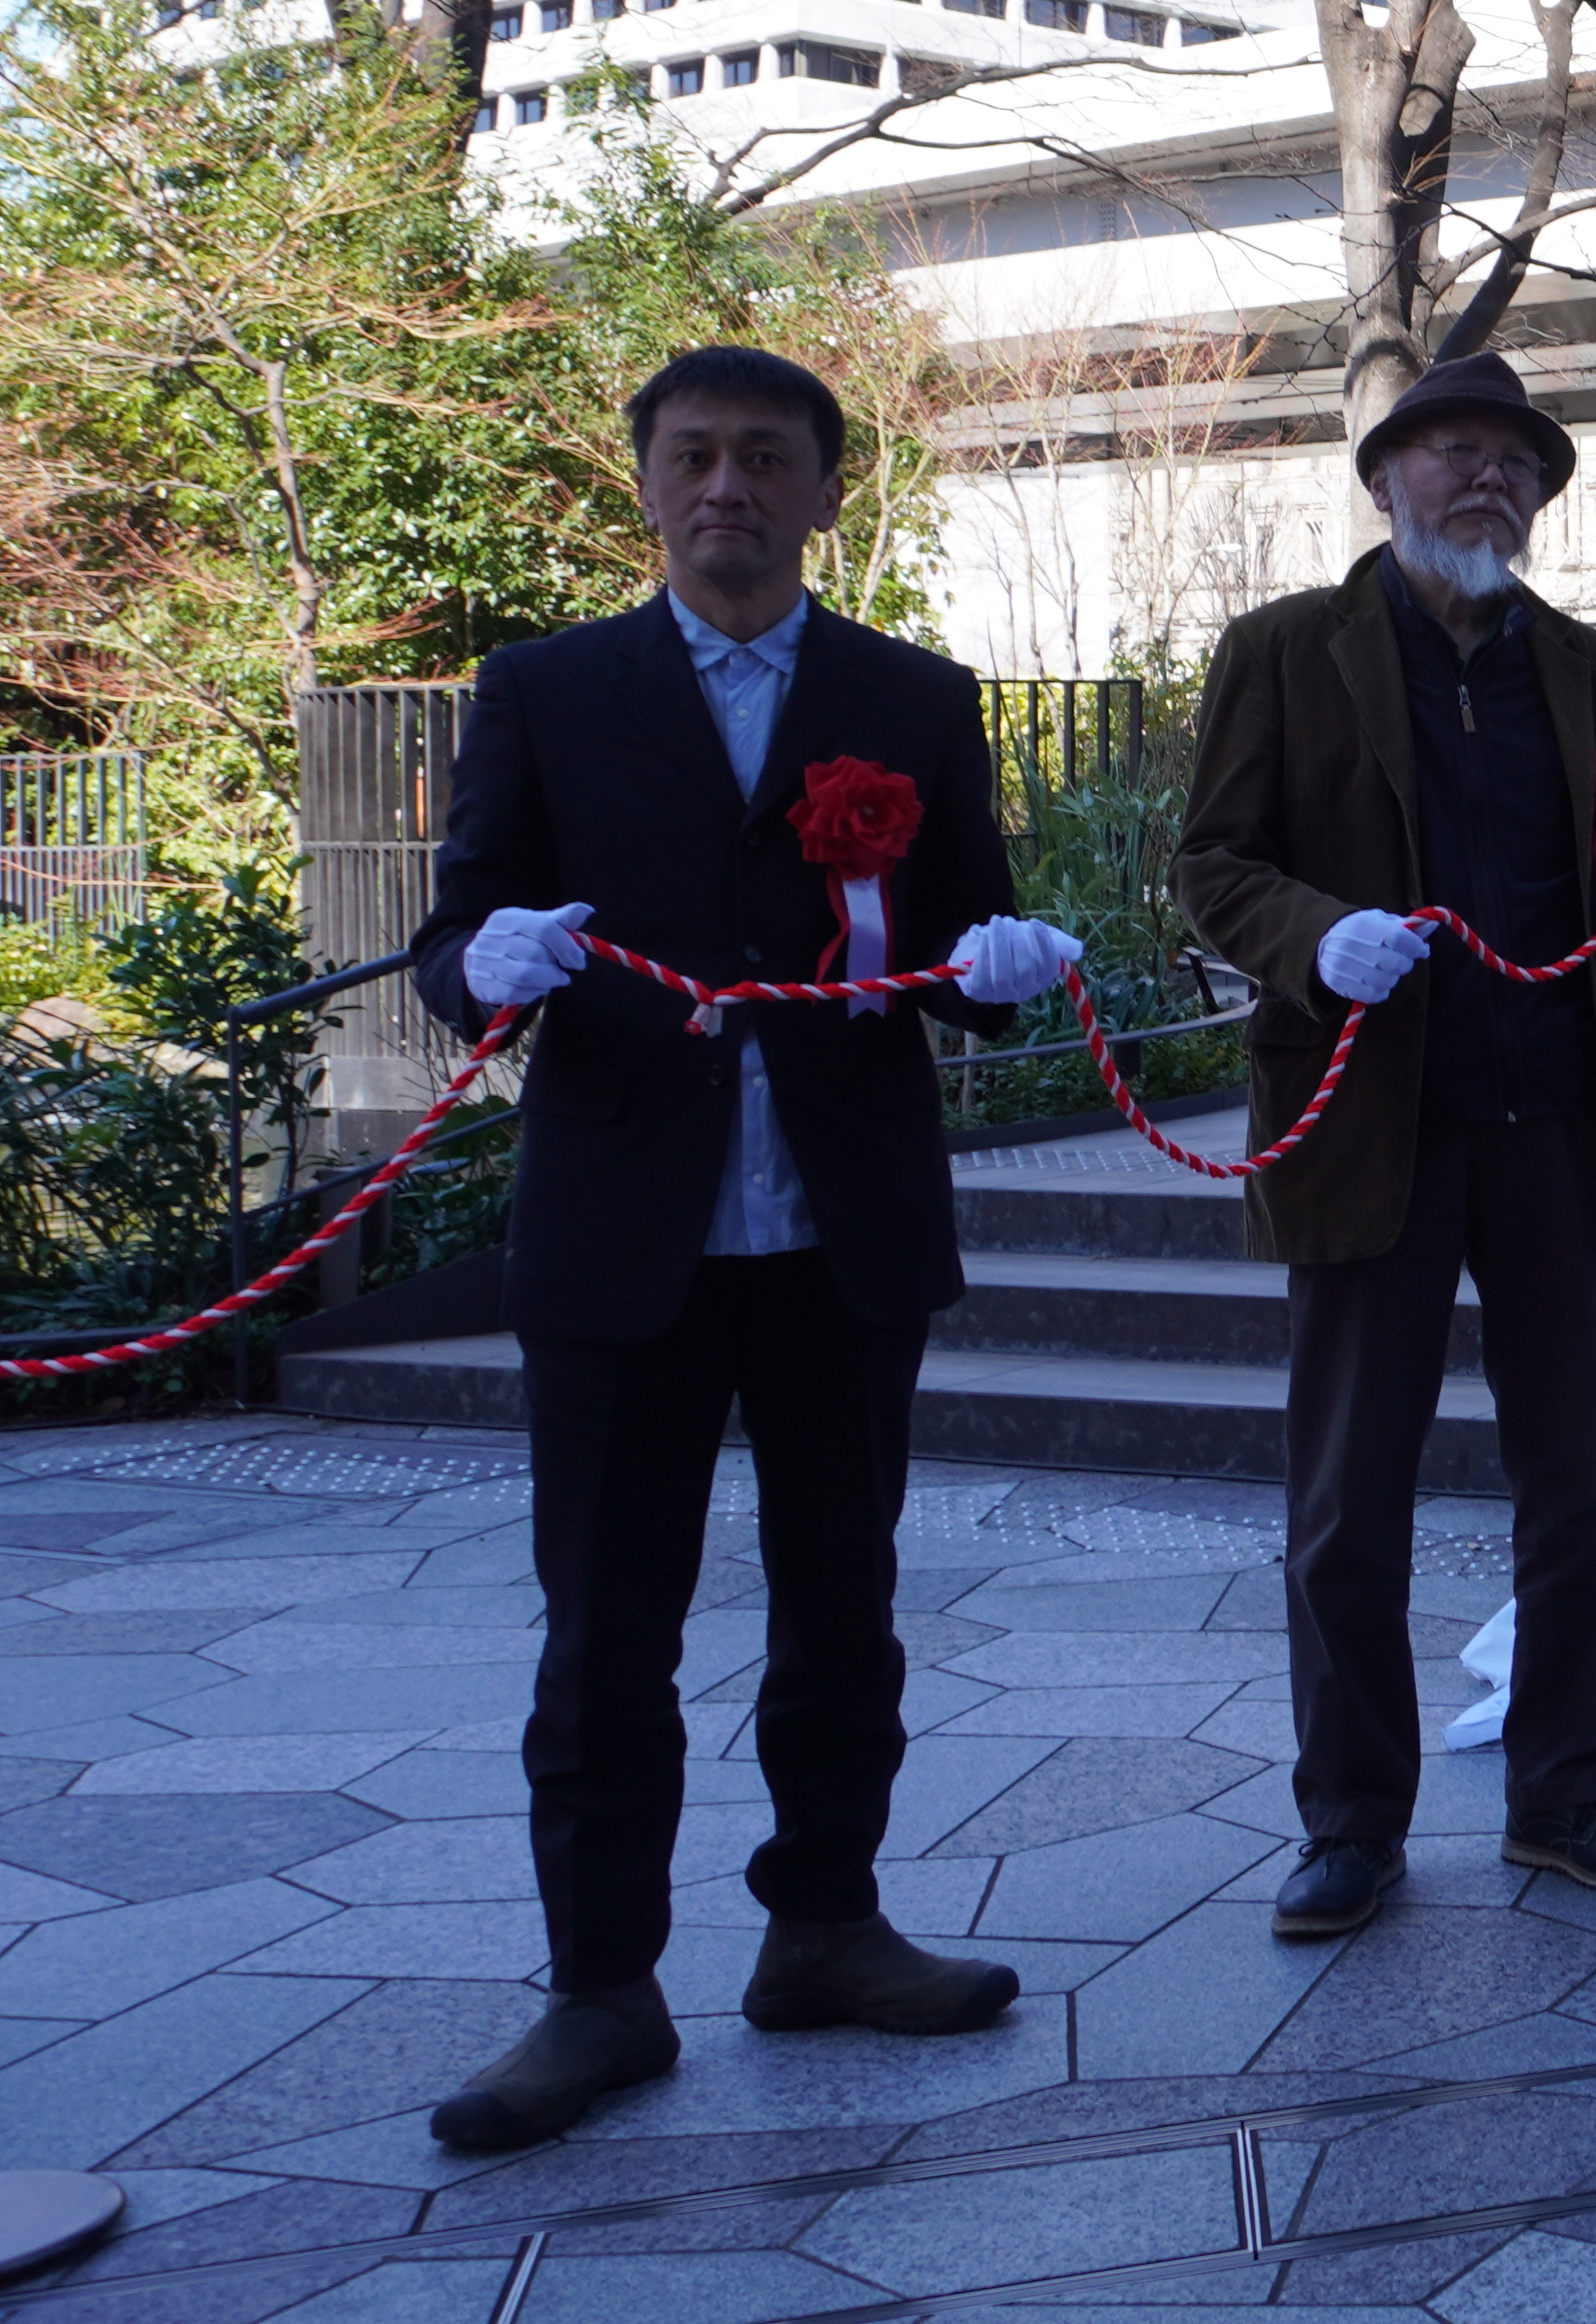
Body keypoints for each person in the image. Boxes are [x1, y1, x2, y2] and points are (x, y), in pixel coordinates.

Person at [406, 347, 1085, 2150]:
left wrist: (1010, 965)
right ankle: (600, 1985)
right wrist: (481, 961)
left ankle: (827, 1925)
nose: (728, 485)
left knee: (841, 1599)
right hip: (624, 1229)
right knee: (603, 1624)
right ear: (643, 483)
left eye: (765, 457)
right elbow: (453, 922)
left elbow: (960, 936)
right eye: (694, 454)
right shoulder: (546, 689)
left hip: (838, 1228)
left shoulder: (912, 694)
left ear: (823, 490)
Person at [1175, 349, 1596, 1937]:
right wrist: (1317, 937)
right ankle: (1349, 1818)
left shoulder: (1592, 665)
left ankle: (1570, 1790)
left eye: (1514, 462)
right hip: (1369, 1121)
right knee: (1350, 1494)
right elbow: (1209, 860)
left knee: (1583, 1487)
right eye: (1455, 453)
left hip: (1561, 1110)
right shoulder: (1284, 652)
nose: (1488, 480)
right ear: (1386, 478)